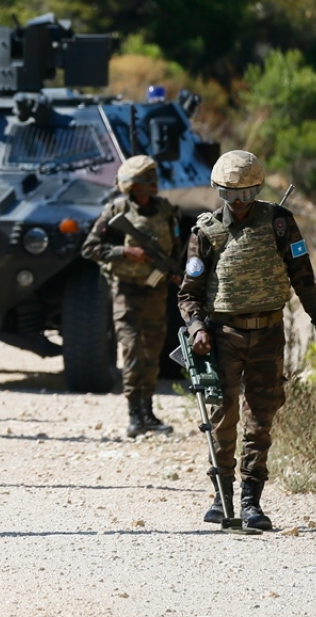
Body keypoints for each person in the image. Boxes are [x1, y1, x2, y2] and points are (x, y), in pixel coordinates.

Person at [179, 150, 316, 530]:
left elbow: (304, 279)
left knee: (260, 420)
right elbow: (189, 294)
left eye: (246, 194)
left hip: (268, 335)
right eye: (230, 194)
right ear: (219, 191)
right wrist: (198, 328)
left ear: (258, 189)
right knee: (222, 418)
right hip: (223, 336)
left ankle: (251, 502)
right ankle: (222, 497)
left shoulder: (280, 224)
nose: (239, 202)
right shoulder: (205, 232)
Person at [81, 155, 182, 438]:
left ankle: (148, 412)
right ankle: (134, 414)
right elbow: (90, 248)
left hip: (156, 291)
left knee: (152, 351)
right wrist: (125, 252)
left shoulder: (165, 210)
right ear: (135, 186)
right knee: (132, 349)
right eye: (147, 181)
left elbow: (175, 247)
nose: (153, 185)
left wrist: (174, 271)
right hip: (126, 291)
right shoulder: (116, 210)